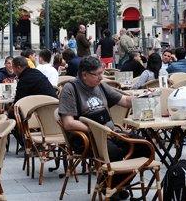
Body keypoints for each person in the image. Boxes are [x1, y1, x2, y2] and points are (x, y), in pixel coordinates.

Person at [59, 56, 148, 199]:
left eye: (102, 73)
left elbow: (124, 101)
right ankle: (112, 189)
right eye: (97, 74)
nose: (101, 77)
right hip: (86, 137)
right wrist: (95, 130)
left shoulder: (100, 85)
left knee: (143, 147)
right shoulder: (70, 89)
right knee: (115, 153)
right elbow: (68, 123)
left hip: (111, 133)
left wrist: (142, 98)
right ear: (84, 75)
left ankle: (115, 186)